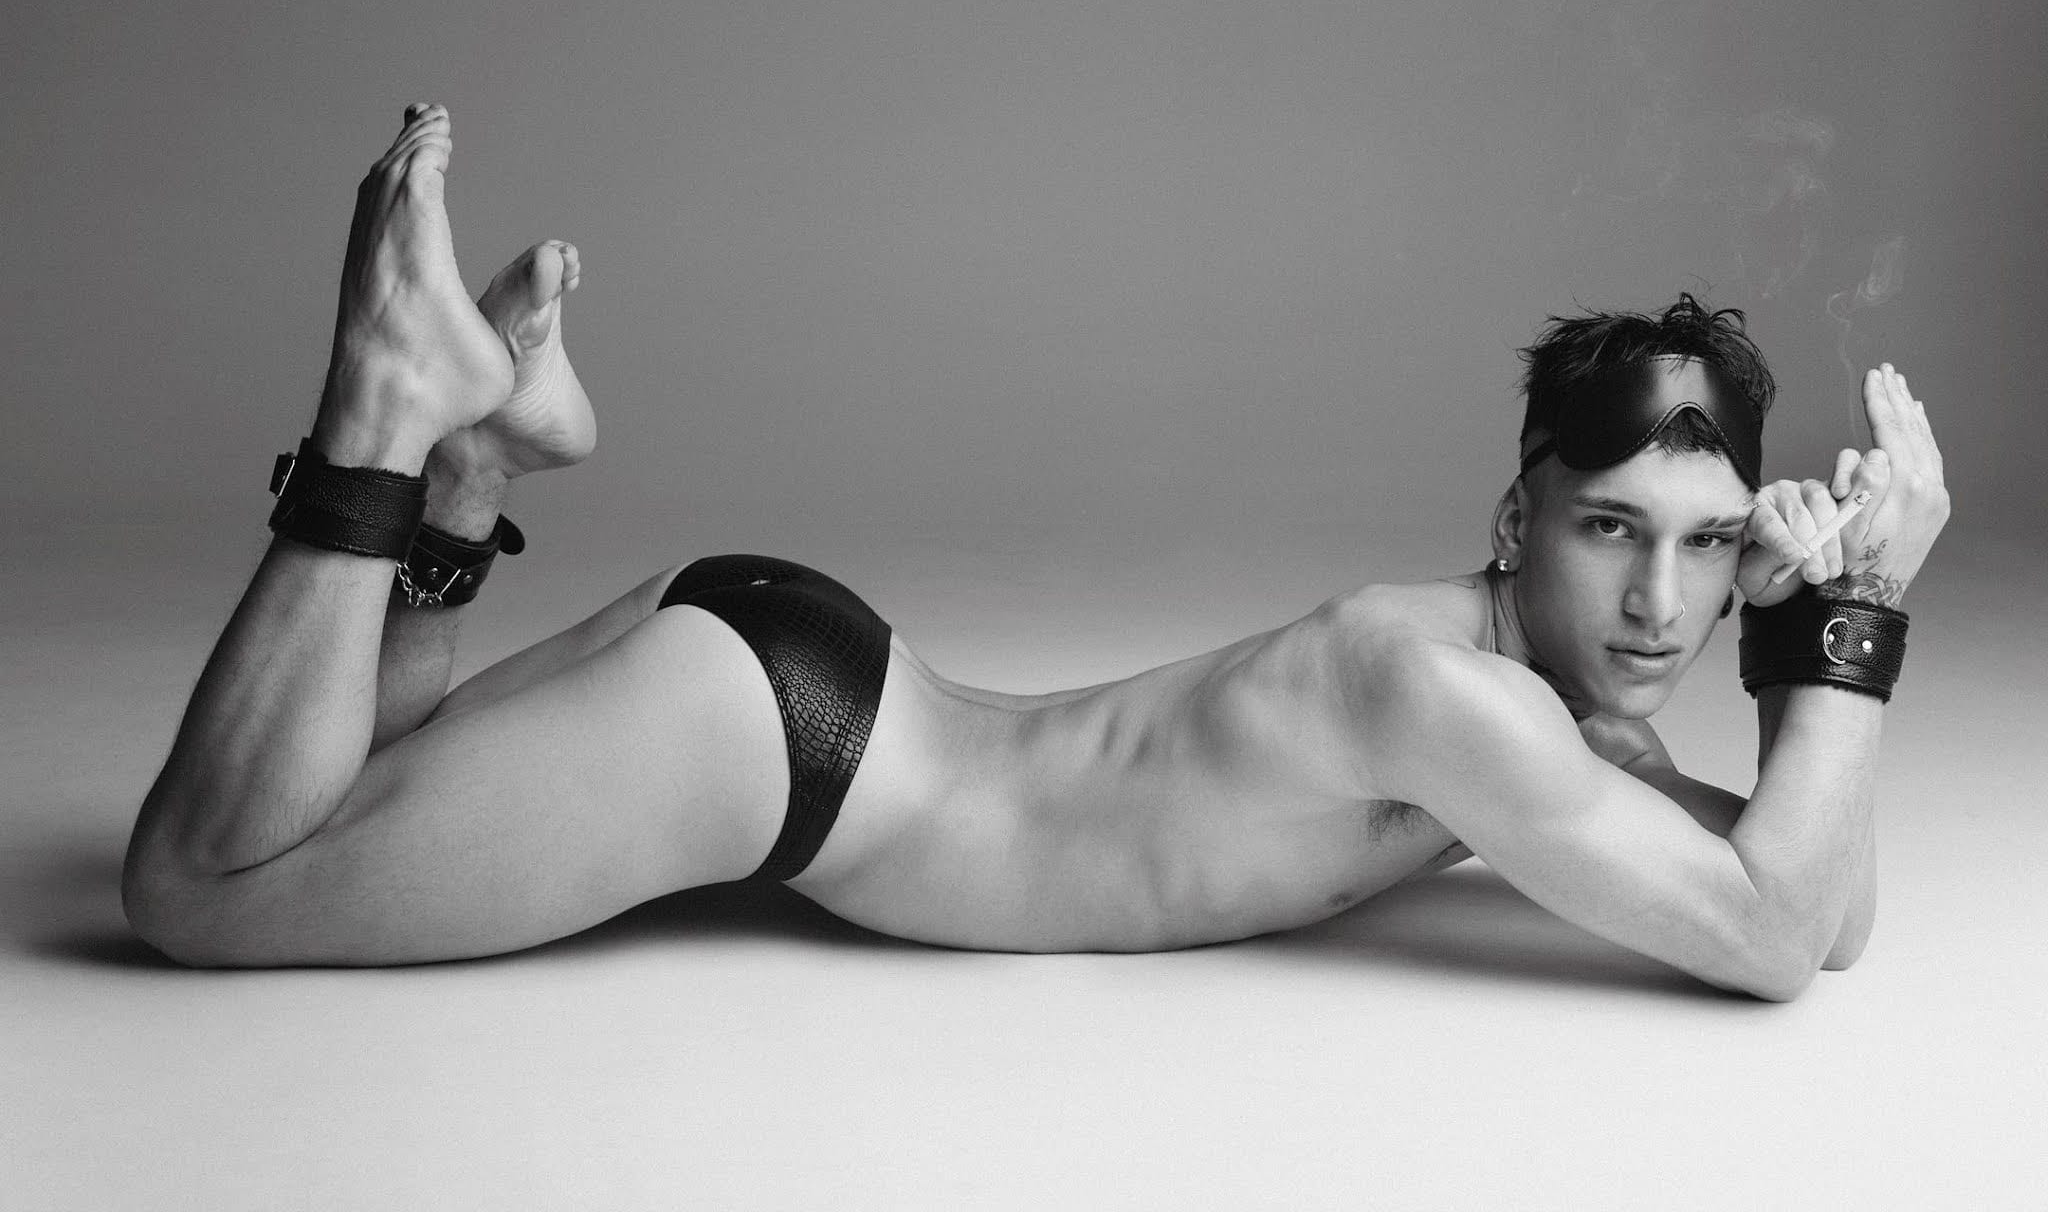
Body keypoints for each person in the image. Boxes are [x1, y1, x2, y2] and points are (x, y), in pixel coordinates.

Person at [122, 105, 1950, 1000]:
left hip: (793, 689)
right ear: (1514, 519)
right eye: (1612, 530)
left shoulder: (1547, 716)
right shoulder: (1448, 699)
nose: (1659, 602)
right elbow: (1771, 938)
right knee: (205, 890)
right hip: (786, 756)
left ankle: (463, 471)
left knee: (348, 794)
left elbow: (1820, 900)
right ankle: (380, 405)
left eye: (1710, 550)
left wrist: (1800, 631)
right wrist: (1863, 605)